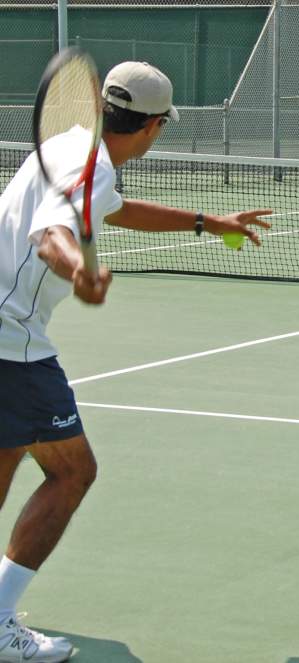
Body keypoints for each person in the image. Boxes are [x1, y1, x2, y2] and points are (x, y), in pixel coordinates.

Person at [0, 61, 272, 662]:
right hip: (10, 342)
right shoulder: (91, 169)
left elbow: (111, 209)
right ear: (152, 128)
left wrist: (206, 222)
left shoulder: (69, 145)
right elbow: (52, 234)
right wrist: (80, 272)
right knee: (72, 471)